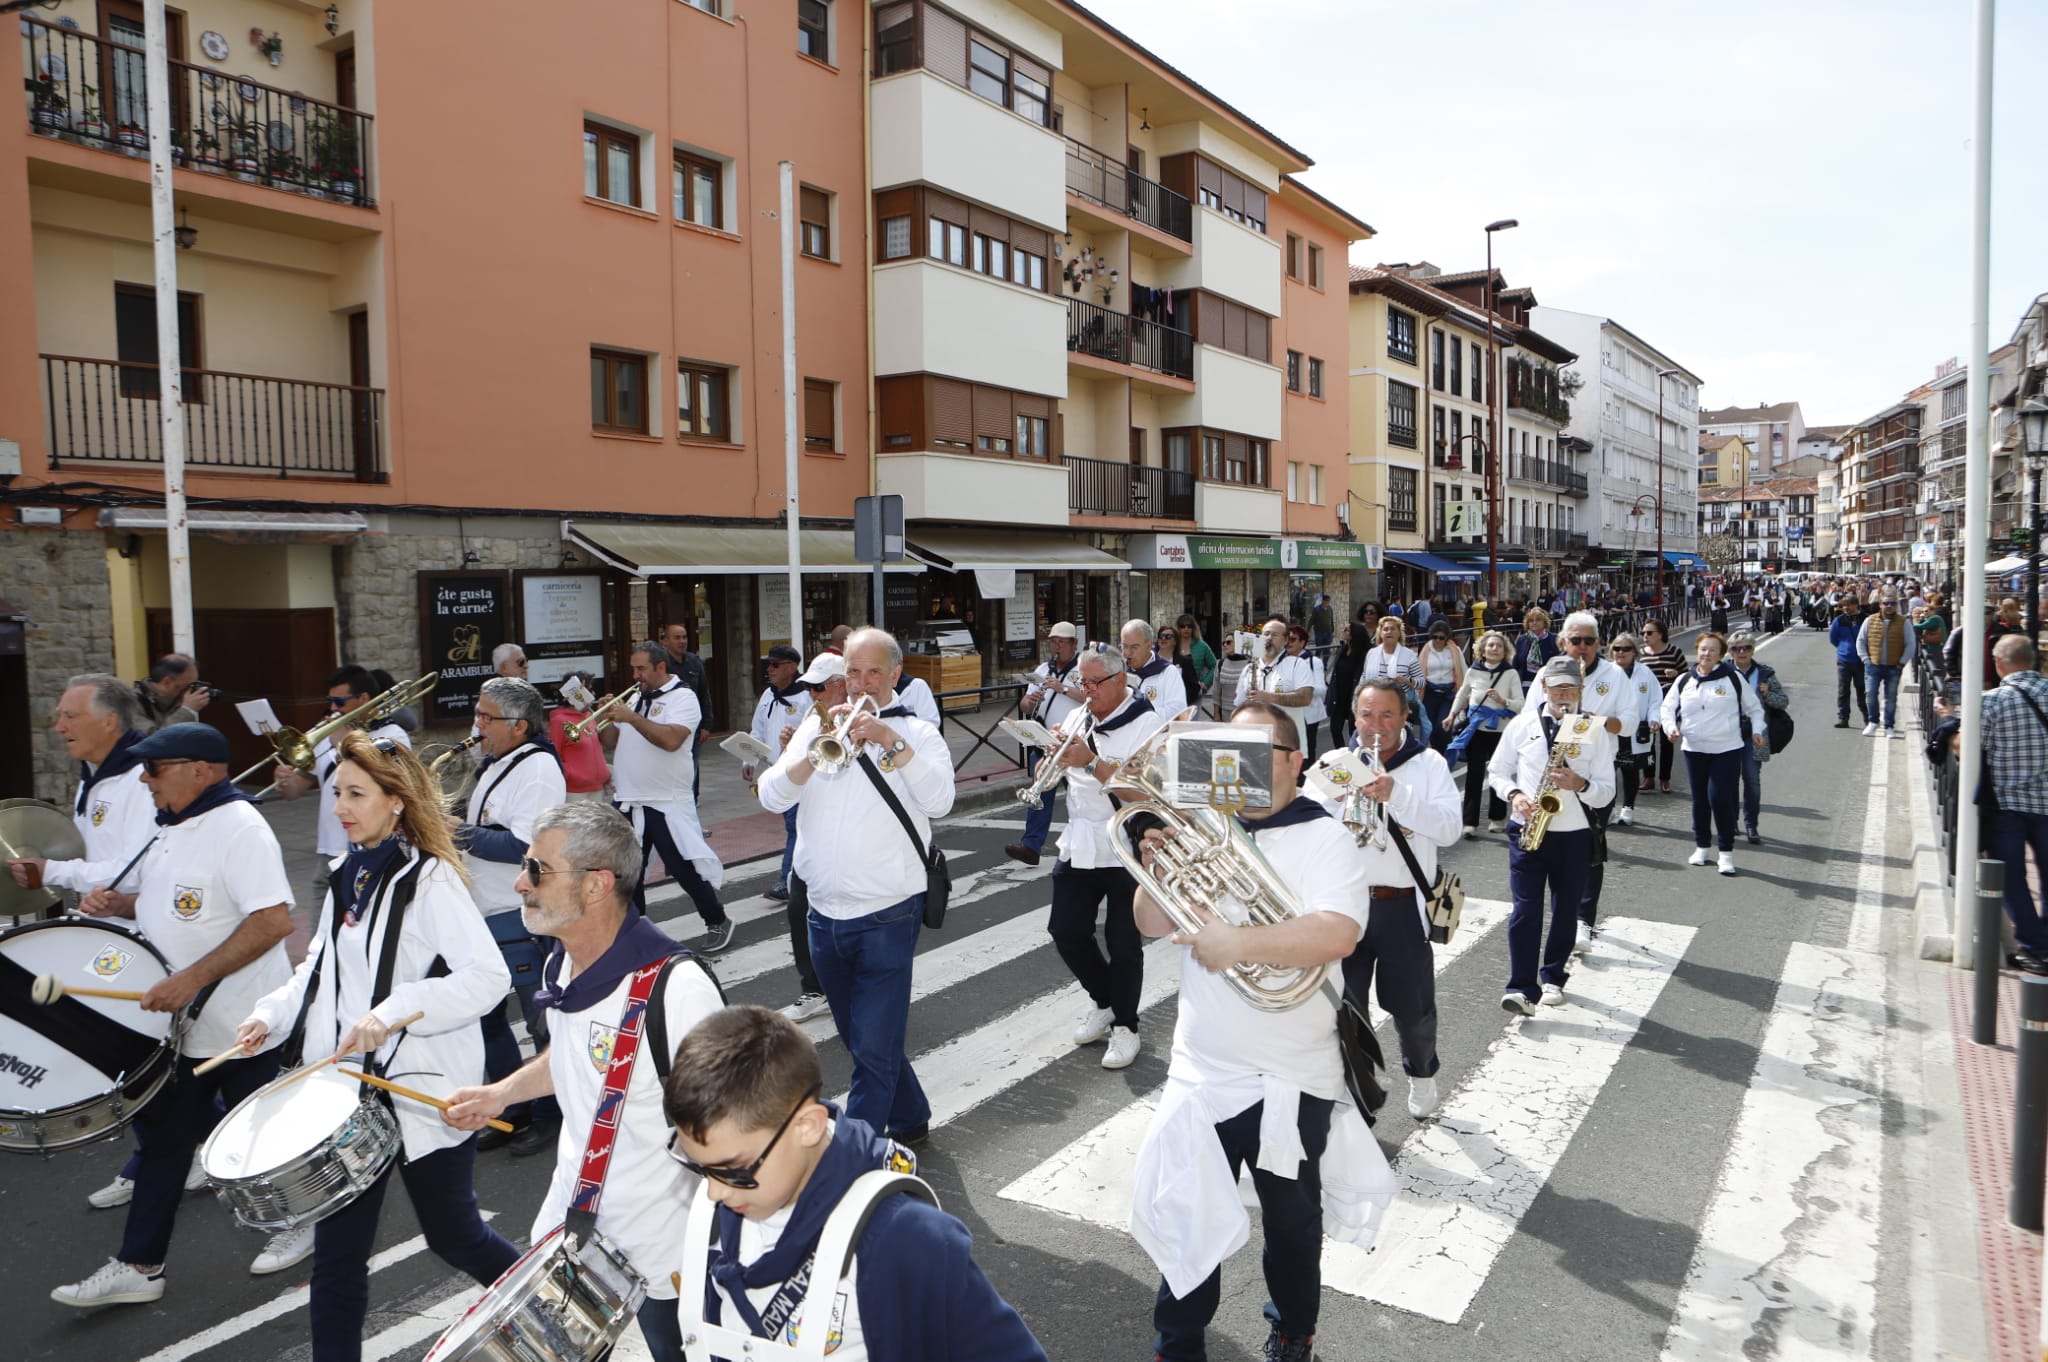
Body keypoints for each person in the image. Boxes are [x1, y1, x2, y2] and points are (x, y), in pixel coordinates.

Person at [237, 734, 518, 1362]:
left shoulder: (432, 878)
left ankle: (551, 1311)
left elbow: (487, 977)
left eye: (356, 794)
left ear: (396, 802)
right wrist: (270, 1015)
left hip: (416, 1091)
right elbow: (319, 969)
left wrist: (390, 1015)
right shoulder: (346, 874)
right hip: (343, 1098)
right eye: (337, 792)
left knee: (456, 1237)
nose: (340, 806)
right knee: (338, 1259)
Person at [1131, 700, 1395, 1362]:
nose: (1237, 769)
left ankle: (1292, 1330)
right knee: (1188, 1217)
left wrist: (1240, 941)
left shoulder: (1324, 835)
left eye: (1256, 755)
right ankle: (1177, 1342)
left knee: (1293, 1225)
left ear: (1294, 762)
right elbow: (1148, 923)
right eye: (1228, 754)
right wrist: (1156, 862)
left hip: (1292, 1076)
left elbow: (1338, 930)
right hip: (1203, 1069)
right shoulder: (1204, 827)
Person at [444, 801, 725, 1361]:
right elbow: (575, 1058)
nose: (521, 883)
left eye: (537, 870)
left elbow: (730, 1129)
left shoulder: (678, 989)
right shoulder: (561, 964)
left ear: (597, 885)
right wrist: (501, 1093)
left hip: (665, 1247)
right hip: (574, 1226)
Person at [50, 723, 295, 1309]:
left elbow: (273, 921)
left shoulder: (240, 829)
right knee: (164, 1143)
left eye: (155, 769)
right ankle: (139, 1265)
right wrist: (123, 903)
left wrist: (189, 979)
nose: (144, 779)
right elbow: (182, 904)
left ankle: (303, 1220)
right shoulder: (172, 826)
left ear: (201, 770)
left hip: (242, 1025)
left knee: (265, 1136)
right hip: (183, 1033)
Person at [665, 1006, 1048, 1361]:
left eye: (733, 1169)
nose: (714, 1191)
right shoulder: (726, 1205)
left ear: (807, 1127)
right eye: (699, 1167)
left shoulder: (907, 1237)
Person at [758, 627, 955, 1145]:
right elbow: (770, 796)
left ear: (894, 674)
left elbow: (940, 802)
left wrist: (890, 741)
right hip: (822, 912)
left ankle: (853, 1159)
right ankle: (910, 1116)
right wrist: (810, 755)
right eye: (852, 671)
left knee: (872, 1046)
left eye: (872, 672)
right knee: (861, 1037)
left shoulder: (918, 732)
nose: (860, 682)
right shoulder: (815, 726)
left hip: (888, 912)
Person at [1315, 678, 1460, 1117]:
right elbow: (1302, 824)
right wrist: (1331, 804)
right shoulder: (1336, 763)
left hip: (1402, 907)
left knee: (1412, 1010)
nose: (1374, 726)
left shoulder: (1429, 764)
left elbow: (1450, 828)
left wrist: (1397, 795)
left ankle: (1421, 1072)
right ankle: (1357, 1092)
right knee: (1344, 1010)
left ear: (1404, 717)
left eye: (1387, 715)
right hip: (1347, 906)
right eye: (1366, 714)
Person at [463, 677, 569, 1154]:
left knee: (538, 1018)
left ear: (519, 725)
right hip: (482, 908)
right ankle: (510, 1103)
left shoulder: (539, 768)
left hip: (516, 909)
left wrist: (457, 832)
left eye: (487, 718)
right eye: (478, 714)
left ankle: (550, 1113)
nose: (477, 725)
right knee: (485, 1014)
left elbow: (525, 846)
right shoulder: (498, 761)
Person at [1046, 646, 1163, 1071]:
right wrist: (1053, 755)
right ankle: (1106, 1001)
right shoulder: (1082, 715)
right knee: (1065, 930)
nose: (1086, 691)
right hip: (1081, 840)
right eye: (1082, 682)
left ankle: (1127, 1026)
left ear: (1119, 681)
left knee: (1123, 943)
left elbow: (1147, 794)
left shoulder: (1146, 723)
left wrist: (1091, 761)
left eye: (1094, 683)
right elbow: (1066, 771)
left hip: (1125, 842)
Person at [1487, 658, 1616, 1012]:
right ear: (1543, 687)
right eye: (1557, 687)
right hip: (1528, 829)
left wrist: (1581, 784)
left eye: (1570, 688)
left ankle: (1554, 976)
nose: (1563, 694)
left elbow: (1606, 791)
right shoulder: (1522, 724)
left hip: (1573, 834)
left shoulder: (1592, 729)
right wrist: (1515, 796)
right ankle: (1521, 987)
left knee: (1565, 911)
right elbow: (1497, 772)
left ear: (1580, 690)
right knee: (1525, 910)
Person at [605, 640, 732, 952]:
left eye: (641, 669)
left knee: (681, 866)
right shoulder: (635, 697)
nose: (635, 675)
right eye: (633, 668)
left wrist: (631, 718)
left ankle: (717, 918)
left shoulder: (684, 698)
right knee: (627, 871)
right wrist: (603, 718)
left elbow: (672, 740)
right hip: (630, 798)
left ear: (660, 667)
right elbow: (611, 741)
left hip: (665, 800)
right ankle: (634, 931)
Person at [269, 665, 413, 904]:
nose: (333, 708)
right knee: (318, 938)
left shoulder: (393, 736)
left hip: (366, 850)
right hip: (328, 852)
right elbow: (297, 788)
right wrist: (285, 782)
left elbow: (386, 785)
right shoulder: (330, 733)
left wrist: (344, 744)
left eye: (339, 701)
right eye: (330, 701)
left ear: (363, 699)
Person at [775, 654, 846, 1024]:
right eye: (811, 689)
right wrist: (790, 747)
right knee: (798, 911)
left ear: (842, 683)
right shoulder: (813, 718)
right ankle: (814, 989)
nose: (814, 695)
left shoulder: (865, 721)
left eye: (820, 687)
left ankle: (849, 989)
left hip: (849, 843)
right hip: (812, 839)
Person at [1660, 632, 1767, 876]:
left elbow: (1755, 709)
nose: (1706, 654)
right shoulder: (1685, 679)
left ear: (1720, 654)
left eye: (1712, 650)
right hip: (1694, 749)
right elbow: (1667, 708)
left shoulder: (1732, 677)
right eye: (1703, 649)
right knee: (1699, 801)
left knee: (1719, 799)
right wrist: (1671, 728)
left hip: (1726, 748)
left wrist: (1757, 730)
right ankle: (1702, 847)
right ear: (1697, 652)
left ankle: (1726, 852)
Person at [1008, 621, 1085, 866]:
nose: (1057, 647)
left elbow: (1092, 697)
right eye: (1053, 641)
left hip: (1074, 743)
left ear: (1074, 644)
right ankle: (1031, 846)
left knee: (1081, 796)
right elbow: (1023, 706)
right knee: (1039, 792)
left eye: (1062, 642)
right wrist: (1031, 701)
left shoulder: (1085, 668)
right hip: (1046, 743)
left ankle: (1083, 843)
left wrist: (1063, 689)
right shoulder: (1043, 668)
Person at [744, 645, 812, 902]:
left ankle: (787, 880)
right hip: (776, 773)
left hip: (799, 774)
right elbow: (757, 731)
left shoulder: (806, 696)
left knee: (796, 827)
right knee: (796, 827)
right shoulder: (768, 695)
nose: (769, 669)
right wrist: (748, 760)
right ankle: (802, 875)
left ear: (792, 667)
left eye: (775, 665)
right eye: (768, 664)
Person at [1448, 629, 1523, 836]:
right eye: (1490, 645)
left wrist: (1502, 701)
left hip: (1501, 730)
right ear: (1482, 649)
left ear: (1505, 651)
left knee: (1499, 772)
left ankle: (1497, 818)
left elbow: (1520, 703)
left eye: (1499, 646)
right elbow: (1462, 694)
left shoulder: (1510, 673)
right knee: (1474, 774)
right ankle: (1469, 823)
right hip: (1476, 729)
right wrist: (1451, 715)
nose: (1494, 649)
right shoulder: (1474, 670)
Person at [1726, 632, 1787, 845]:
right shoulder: (1722, 672)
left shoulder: (1765, 673)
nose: (1742, 652)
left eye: (1746, 648)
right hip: (1727, 734)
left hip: (1755, 733)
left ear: (1753, 650)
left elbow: (1783, 701)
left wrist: (1767, 693)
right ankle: (1731, 822)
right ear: (1730, 651)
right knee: (1730, 780)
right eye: (1737, 648)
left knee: (1752, 780)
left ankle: (1751, 824)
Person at [1233, 616, 1320, 753]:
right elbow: (1239, 704)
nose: (1269, 638)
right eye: (1266, 634)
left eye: (1275, 635)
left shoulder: (1297, 664)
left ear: (1285, 640)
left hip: (1287, 747)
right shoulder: (1249, 669)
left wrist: (1270, 698)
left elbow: (1305, 697)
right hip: (1256, 746)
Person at [1606, 633, 1664, 827]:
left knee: (1630, 772)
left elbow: (1656, 699)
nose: (1620, 652)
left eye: (1625, 649)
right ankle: (1609, 808)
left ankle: (1628, 808)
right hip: (1610, 730)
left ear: (1634, 652)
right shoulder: (1605, 672)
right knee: (1607, 771)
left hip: (1635, 730)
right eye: (1617, 648)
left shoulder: (1645, 673)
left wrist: (1655, 719)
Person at [658, 622, 718, 798]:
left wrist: (707, 724)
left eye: (684, 637)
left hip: (693, 726)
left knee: (691, 764)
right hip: (669, 725)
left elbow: (703, 693)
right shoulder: (661, 664)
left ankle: (691, 799)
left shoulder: (694, 661)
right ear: (665, 641)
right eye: (677, 637)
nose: (682, 641)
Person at [1855, 592, 1915, 738]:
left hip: (1894, 666)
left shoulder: (1903, 622)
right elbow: (1861, 641)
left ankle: (1889, 726)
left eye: (1893, 603)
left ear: (1897, 605)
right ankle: (1873, 722)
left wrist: (1901, 663)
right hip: (1873, 665)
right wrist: (1866, 660)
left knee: (1891, 697)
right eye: (1886, 603)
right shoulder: (1870, 620)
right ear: (1880, 604)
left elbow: (1911, 644)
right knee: (1870, 694)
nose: (1889, 606)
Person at [548, 670, 612, 803]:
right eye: (589, 690)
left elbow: (599, 746)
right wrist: (572, 775)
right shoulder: (559, 721)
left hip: (597, 787)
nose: (593, 694)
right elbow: (554, 756)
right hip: (574, 791)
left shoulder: (589, 715)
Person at [1639, 620, 1687, 794]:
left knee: (1666, 741)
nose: (1645, 636)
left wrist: (1676, 674)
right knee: (1647, 741)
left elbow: (1687, 676)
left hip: (1668, 702)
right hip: (1646, 702)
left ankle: (1665, 779)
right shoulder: (1640, 654)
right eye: (1643, 633)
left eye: (1649, 633)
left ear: (1660, 634)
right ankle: (1648, 777)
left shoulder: (1674, 652)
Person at [1123, 618, 1189, 720]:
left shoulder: (1167, 672)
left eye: (1134, 647)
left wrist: (1137, 713)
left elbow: (1177, 714)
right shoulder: (1118, 672)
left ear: (1149, 645)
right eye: (1124, 646)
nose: (1127, 652)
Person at [1417, 620, 1465, 752]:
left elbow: (1463, 669)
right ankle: (1437, 754)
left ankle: (1445, 751)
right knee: (1430, 727)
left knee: (1442, 726)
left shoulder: (1455, 650)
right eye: (1434, 637)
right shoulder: (1426, 650)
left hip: (1448, 693)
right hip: (1429, 693)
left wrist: (1465, 692)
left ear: (1447, 638)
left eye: (1441, 638)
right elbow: (1418, 672)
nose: (1437, 640)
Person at [133, 653, 213, 731]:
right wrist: (187, 710)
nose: (190, 691)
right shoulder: (130, 703)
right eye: (187, 686)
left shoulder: (174, 701)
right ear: (167, 682)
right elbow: (153, 740)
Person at [1283, 623, 1329, 760]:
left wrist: (1300, 690)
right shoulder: (1282, 662)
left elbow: (1321, 689)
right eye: (1287, 639)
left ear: (1302, 642)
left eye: (1293, 640)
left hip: (1308, 715)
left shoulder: (1313, 662)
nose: (1288, 643)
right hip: (1289, 713)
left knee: (1307, 750)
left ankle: (1306, 779)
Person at [1323, 622, 1369, 753]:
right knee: (1335, 728)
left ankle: (1357, 757)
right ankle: (1343, 754)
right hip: (1339, 695)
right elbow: (1335, 673)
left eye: (1347, 630)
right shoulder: (1342, 650)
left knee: (1353, 731)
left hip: (1354, 696)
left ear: (1354, 634)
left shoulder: (1364, 654)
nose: (1344, 631)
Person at [1830, 602, 1871, 729]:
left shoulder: (1865, 619)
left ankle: (1867, 718)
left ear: (1856, 606)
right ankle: (1843, 718)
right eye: (1844, 605)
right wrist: (1843, 649)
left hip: (1861, 661)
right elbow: (1833, 638)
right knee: (1843, 691)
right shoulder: (1839, 620)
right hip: (1844, 661)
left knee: (1862, 690)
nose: (1846, 608)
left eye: (1849, 605)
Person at [1156, 619, 1201, 722]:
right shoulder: (1150, 661)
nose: (1164, 639)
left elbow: (1194, 688)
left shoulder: (1185, 661)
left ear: (1175, 641)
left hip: (1177, 714)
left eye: (1168, 637)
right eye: (1161, 636)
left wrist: (1181, 703)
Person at [1176, 614, 1218, 712]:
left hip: (1194, 691)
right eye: (1183, 626)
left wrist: (1205, 683)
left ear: (1193, 628)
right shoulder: (1173, 644)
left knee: (1192, 722)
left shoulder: (1202, 646)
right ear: (1178, 628)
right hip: (1175, 691)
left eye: (1189, 626)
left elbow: (1215, 666)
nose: (1186, 629)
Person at [1512, 607, 1559, 686]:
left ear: (1544, 622)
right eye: (1531, 620)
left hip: (1547, 684)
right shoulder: (1521, 639)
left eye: (1538, 620)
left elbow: (1558, 665)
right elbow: (1515, 664)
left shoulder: (1554, 639)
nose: (1534, 623)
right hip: (1524, 683)